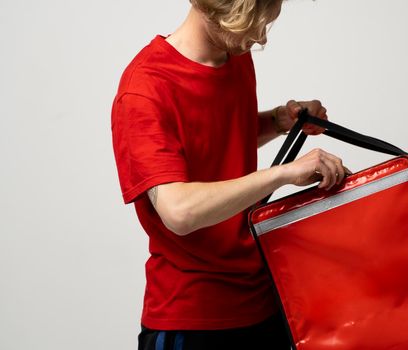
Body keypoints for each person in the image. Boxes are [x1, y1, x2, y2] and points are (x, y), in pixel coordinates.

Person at [111, 0, 349, 348]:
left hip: (263, 302)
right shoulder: (145, 89)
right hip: (193, 320)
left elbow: (213, 139)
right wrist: (282, 174)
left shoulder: (233, 56)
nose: (257, 35)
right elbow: (179, 212)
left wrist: (278, 120)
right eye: (248, 22)